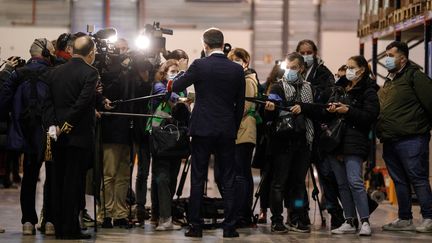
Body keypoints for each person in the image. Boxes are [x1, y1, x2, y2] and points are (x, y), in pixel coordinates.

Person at [172, 28, 245, 238]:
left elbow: (176, 86)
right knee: (228, 178)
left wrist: (184, 69)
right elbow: (239, 105)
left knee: (198, 177)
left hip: (202, 129)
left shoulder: (199, 65)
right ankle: (229, 227)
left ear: (205, 45)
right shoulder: (236, 69)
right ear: (223, 44)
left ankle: (196, 227)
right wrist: (234, 125)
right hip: (226, 129)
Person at [301, 55, 379, 236]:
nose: (349, 70)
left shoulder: (368, 91)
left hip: (354, 142)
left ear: (361, 70)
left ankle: (365, 220)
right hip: (335, 142)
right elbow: (323, 109)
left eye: (352, 67)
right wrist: (331, 109)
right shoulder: (340, 87)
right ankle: (349, 220)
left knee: (355, 182)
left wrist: (348, 110)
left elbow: (370, 116)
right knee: (342, 184)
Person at [43, 35, 111, 239]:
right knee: (74, 183)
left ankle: (57, 225)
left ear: (72, 51)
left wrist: (53, 125)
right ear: (91, 53)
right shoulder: (91, 72)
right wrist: (66, 125)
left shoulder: (54, 72)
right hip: (78, 135)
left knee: (57, 181)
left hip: (55, 136)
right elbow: (82, 103)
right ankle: (70, 228)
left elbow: (47, 103)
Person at [0, 38, 56, 236]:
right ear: (47, 54)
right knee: (52, 178)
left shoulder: (17, 74)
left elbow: (3, 102)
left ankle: (28, 222)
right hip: (49, 134)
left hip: (25, 133)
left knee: (29, 177)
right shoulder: (53, 74)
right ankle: (49, 221)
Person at [378, 41, 432, 233]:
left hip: (412, 139)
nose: (387, 59)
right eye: (386, 55)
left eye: (391, 55)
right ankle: (405, 218)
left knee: (418, 178)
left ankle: (429, 217)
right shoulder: (390, 80)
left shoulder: (415, 77)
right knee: (399, 180)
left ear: (403, 58)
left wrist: (422, 129)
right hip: (391, 139)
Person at [264, 52, 314, 233]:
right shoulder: (277, 87)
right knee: (279, 183)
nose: (290, 71)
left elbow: (316, 111)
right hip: (282, 143)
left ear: (301, 68)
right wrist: (270, 109)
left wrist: (304, 107)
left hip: (303, 142)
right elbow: (269, 114)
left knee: (299, 184)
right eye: (288, 67)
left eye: (294, 68)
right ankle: (277, 219)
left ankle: (297, 216)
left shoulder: (309, 88)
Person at [296, 39, 342, 228]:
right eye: (303, 52)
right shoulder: (294, 72)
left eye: (309, 52)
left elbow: (326, 97)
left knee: (326, 176)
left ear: (315, 53)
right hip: (300, 132)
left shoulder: (323, 73)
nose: (306, 55)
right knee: (298, 179)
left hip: (319, 133)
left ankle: (334, 212)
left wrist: (307, 97)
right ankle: (300, 212)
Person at [148, 59, 188, 231]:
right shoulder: (158, 86)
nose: (176, 73)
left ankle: (163, 216)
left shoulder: (182, 89)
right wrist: (179, 98)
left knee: (171, 178)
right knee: (162, 178)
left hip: (176, 141)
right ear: (164, 72)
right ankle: (163, 218)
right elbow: (166, 95)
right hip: (161, 139)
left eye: (178, 72)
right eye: (172, 71)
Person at [227, 48, 258, 227]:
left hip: (244, 130)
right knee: (243, 173)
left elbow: (243, 107)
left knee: (240, 174)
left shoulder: (247, 81)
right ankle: (242, 212)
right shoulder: (240, 80)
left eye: (238, 60)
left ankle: (242, 214)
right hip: (242, 130)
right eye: (232, 60)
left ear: (245, 62)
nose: (235, 63)